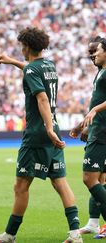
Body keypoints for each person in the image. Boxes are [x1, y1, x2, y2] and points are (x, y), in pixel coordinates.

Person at [0, 27, 82, 243]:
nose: (21, 49)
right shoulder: (50, 65)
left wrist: (46, 128)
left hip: (38, 133)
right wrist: (12, 62)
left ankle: (9, 235)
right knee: (60, 182)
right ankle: (75, 233)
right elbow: (31, 69)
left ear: (27, 46)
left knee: (21, 185)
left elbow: (42, 98)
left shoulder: (32, 70)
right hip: (54, 127)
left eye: (21, 46)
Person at [69, 36, 105, 236]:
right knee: (99, 179)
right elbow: (95, 104)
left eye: (95, 51)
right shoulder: (100, 73)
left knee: (90, 178)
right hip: (97, 130)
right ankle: (93, 222)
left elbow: (97, 107)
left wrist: (94, 114)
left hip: (102, 133)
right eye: (90, 52)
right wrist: (82, 125)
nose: (92, 55)